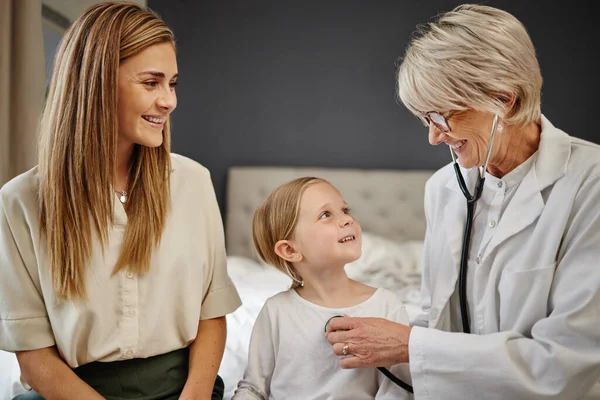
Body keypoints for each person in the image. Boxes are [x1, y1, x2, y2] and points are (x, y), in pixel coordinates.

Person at [325, 4, 600, 399]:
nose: (434, 138)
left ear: (504, 99)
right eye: (425, 119)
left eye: (441, 116)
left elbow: (563, 365)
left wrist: (408, 344)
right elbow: (435, 318)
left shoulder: (590, 185)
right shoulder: (444, 189)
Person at [0, 2, 241, 399]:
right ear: (95, 84)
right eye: (151, 83)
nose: (169, 101)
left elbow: (212, 314)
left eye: (173, 83)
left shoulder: (193, 183)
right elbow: (33, 355)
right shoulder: (20, 203)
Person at [232, 177, 413, 399]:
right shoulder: (276, 311)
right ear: (290, 250)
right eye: (325, 215)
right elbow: (253, 388)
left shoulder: (386, 305)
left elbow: (399, 389)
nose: (346, 219)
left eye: (345, 210)